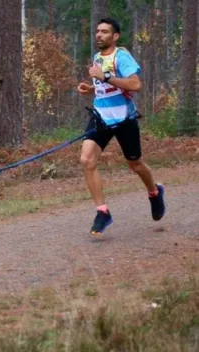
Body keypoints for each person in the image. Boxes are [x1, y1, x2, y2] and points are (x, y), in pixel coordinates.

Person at [77, 18, 165, 236]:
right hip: (101, 117)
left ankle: (154, 192)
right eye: (97, 31)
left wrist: (105, 76)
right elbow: (106, 87)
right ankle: (103, 211)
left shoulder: (122, 57)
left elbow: (135, 84)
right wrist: (90, 88)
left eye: (105, 32)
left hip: (124, 119)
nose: (99, 35)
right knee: (87, 160)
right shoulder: (98, 57)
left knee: (135, 164)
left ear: (115, 36)